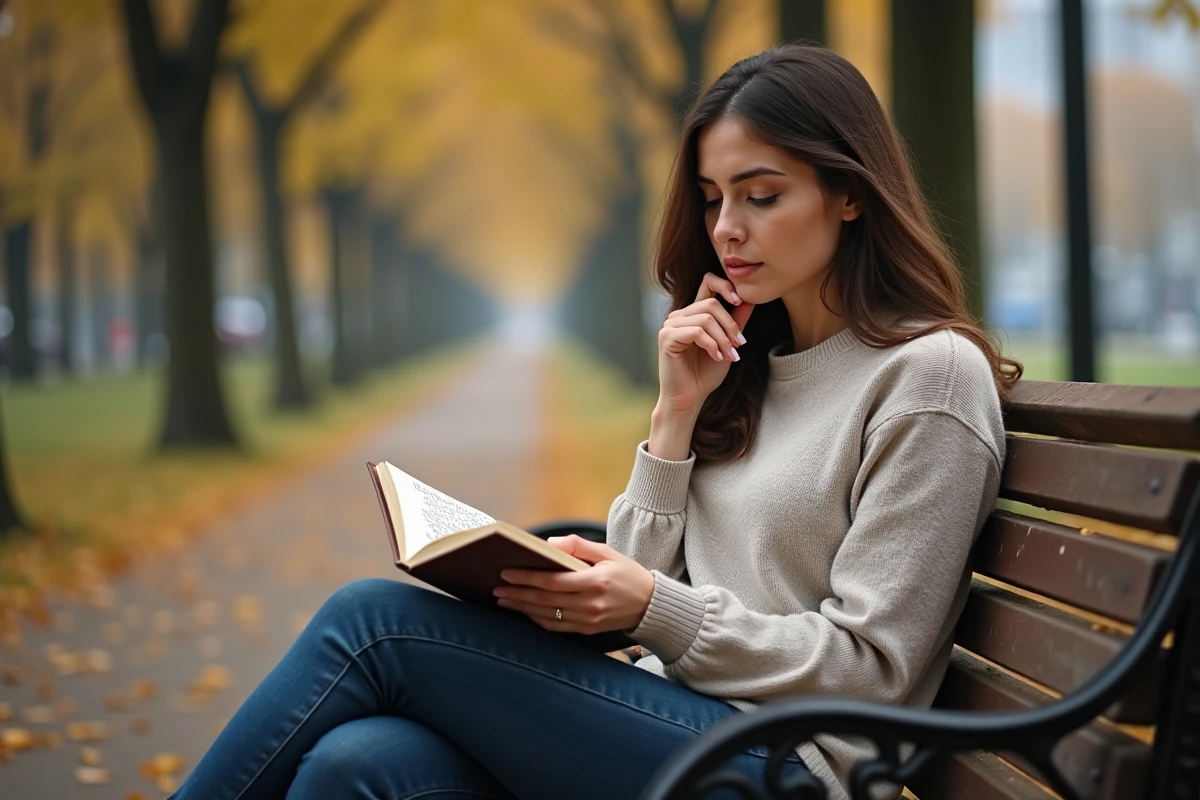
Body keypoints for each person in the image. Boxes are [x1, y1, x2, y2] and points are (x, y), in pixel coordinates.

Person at [168, 44, 1020, 800]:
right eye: (713, 197)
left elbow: (872, 669)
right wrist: (674, 416)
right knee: (356, 762)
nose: (727, 229)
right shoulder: (749, 366)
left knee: (372, 623)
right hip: (674, 722)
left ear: (850, 194)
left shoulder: (928, 378)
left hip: (788, 767)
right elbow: (641, 591)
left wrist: (660, 610)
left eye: (762, 195)